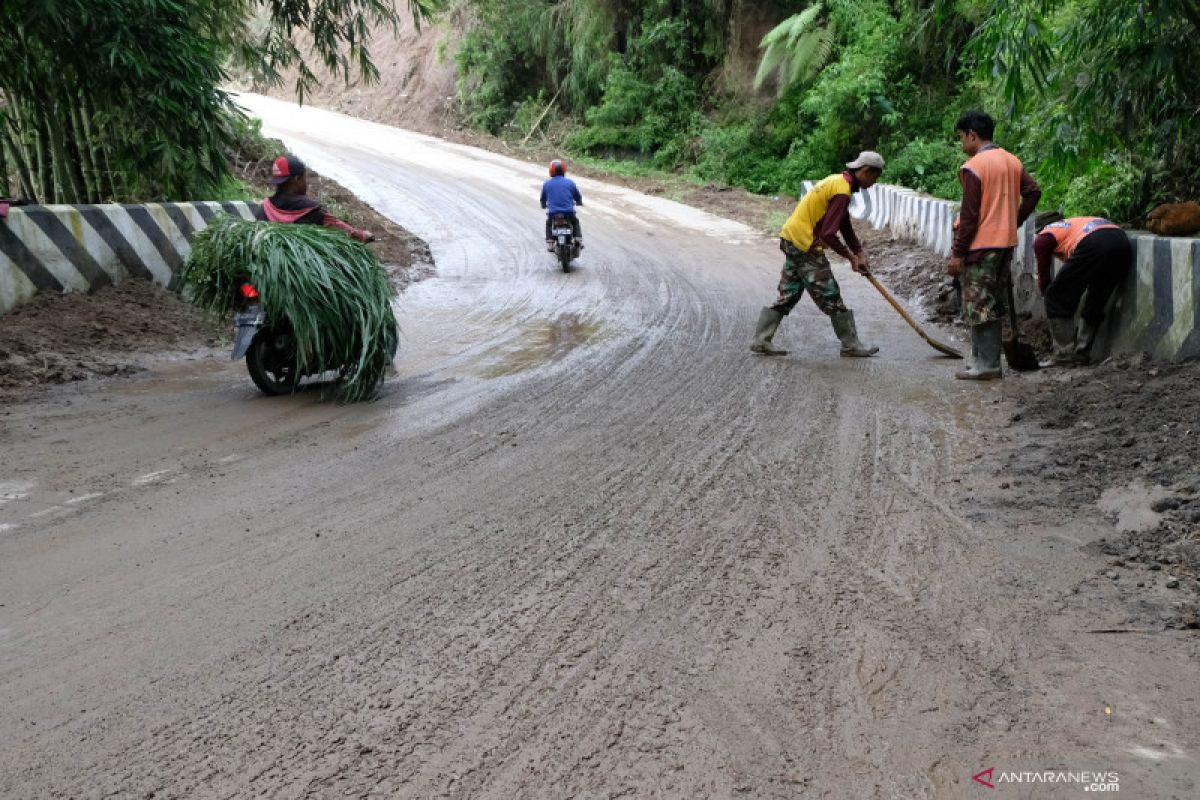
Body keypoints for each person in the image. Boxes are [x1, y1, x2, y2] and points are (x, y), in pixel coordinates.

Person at [749, 151, 883, 358]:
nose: (874, 183)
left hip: (791, 238)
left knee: (790, 291)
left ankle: (761, 339)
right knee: (829, 293)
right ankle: (851, 344)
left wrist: (858, 252)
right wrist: (850, 258)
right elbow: (829, 233)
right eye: (875, 177)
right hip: (804, 244)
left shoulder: (837, 181)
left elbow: (844, 223)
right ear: (865, 171)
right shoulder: (842, 191)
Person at [948, 111, 1041, 381]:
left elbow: (969, 217)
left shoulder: (975, 166)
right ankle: (980, 359)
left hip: (980, 247)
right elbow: (1033, 192)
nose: (962, 143)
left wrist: (957, 253)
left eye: (961, 138)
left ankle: (987, 364)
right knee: (993, 301)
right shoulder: (1011, 161)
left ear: (972, 135)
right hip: (1005, 245)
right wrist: (1014, 220)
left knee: (978, 303)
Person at [1032, 213, 1133, 365]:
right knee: (1096, 296)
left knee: (1056, 295)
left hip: (1094, 242)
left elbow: (1044, 277)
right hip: (1121, 242)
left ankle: (1063, 354)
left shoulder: (1044, 235)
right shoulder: (1074, 225)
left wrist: (1047, 296)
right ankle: (1082, 352)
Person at [261, 155, 374, 242]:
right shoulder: (311, 210)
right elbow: (338, 226)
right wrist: (363, 235)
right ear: (296, 179)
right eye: (304, 179)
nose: (306, 183)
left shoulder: (265, 206)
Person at [540, 159, 583, 252]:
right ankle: (577, 238)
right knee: (575, 222)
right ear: (564, 170)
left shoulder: (547, 184)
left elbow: (543, 199)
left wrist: (543, 205)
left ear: (551, 171)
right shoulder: (570, 183)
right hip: (569, 212)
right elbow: (577, 196)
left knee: (548, 223)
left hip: (553, 213)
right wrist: (579, 202)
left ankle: (550, 242)